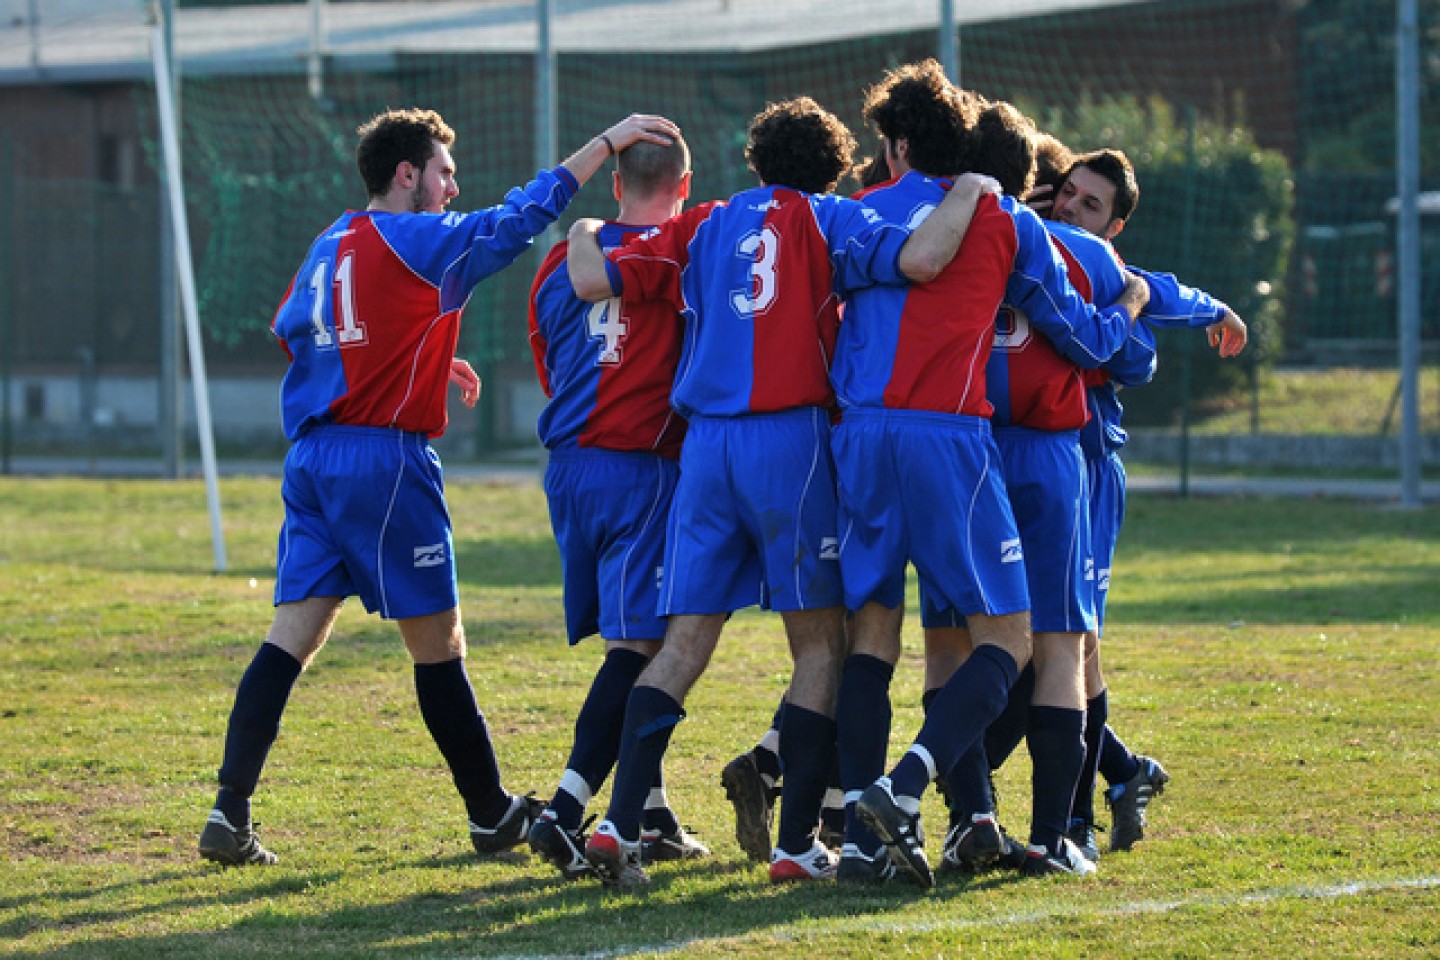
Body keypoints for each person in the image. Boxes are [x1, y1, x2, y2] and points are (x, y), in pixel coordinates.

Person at [197, 106, 680, 867]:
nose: (454, 186)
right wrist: (606, 144)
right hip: (383, 465)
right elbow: (522, 218)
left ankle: (230, 809)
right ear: (406, 174)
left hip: (314, 459)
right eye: (445, 172)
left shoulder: (330, 241)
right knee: (438, 644)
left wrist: (413, 358)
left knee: (291, 636)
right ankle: (490, 813)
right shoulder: (418, 237)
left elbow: (299, 329)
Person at [566, 95, 987, 888]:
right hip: (789, 443)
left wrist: (584, 227)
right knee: (820, 644)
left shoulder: (707, 222)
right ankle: (797, 845)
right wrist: (970, 189)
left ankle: (620, 826)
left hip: (705, 449)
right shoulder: (831, 218)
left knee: (684, 643)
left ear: (757, 161)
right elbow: (924, 259)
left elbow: (591, 278)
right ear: (832, 167)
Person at [832, 65, 1151, 889]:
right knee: (1025, 639)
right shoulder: (1011, 224)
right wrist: (1137, 305)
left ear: (899, 146)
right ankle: (919, 795)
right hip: (962, 440)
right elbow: (1088, 339)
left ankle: (891, 835)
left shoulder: (860, 210)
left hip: (857, 437)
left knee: (879, 633)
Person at [917, 101, 1162, 880]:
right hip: (1048, 457)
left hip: (961, 454)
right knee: (1059, 648)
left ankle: (968, 819)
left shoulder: (933, 230)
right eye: (1069, 191)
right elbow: (1126, 352)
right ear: (1041, 179)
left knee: (956, 648)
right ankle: (1059, 834)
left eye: (1088, 200)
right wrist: (1147, 305)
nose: (1071, 204)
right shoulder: (1076, 253)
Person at [524, 134, 709, 880]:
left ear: (615, 186)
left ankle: (653, 811)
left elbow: (548, 359)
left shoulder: (556, 265)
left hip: (570, 470)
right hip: (642, 470)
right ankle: (567, 810)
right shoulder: (683, 257)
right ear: (685, 183)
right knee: (648, 652)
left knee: (635, 643)